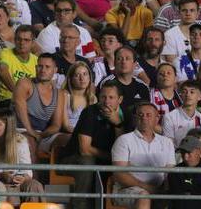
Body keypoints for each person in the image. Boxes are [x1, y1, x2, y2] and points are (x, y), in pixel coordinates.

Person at [59, 80, 127, 209]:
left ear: (120, 99)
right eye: (103, 97)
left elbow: (122, 148)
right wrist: (111, 157)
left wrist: (118, 124)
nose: (106, 101)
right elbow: (84, 150)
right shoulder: (90, 112)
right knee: (88, 161)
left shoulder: (125, 115)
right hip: (72, 159)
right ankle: (80, 205)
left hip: (102, 161)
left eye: (111, 97)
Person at [111, 102, 175, 209]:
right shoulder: (124, 140)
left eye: (148, 115)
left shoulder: (167, 142)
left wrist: (167, 191)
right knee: (144, 196)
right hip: (127, 190)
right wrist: (148, 188)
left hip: (159, 189)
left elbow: (170, 173)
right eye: (140, 115)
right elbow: (120, 175)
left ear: (157, 119)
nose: (144, 118)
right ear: (135, 118)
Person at [0, 107, 44, 204]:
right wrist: (2, 175)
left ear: (8, 126)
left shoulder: (21, 140)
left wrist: (22, 178)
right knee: (9, 191)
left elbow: (28, 171)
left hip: (17, 182)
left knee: (35, 185)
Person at [13, 53, 64, 161]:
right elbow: (19, 110)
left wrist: (40, 136)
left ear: (55, 70)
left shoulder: (59, 93)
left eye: (47, 67)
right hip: (21, 130)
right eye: (40, 66)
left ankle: (65, 172)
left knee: (68, 139)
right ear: (36, 68)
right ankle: (33, 172)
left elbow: (56, 125)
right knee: (30, 141)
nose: (43, 70)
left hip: (43, 135)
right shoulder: (24, 83)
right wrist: (32, 132)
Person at [168, 135, 201, 209]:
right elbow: (181, 200)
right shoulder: (175, 172)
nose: (185, 157)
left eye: (189, 152)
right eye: (183, 153)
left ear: (199, 151)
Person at [98, 47, 150, 115]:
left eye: (127, 58)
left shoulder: (143, 86)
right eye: (119, 59)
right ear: (114, 63)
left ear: (135, 64)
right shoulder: (106, 83)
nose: (123, 62)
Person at [0, 25, 38, 105]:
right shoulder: (6, 53)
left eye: (26, 40)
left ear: (33, 43)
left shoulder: (36, 61)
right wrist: (18, 93)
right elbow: (2, 71)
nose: (22, 43)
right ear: (14, 40)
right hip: (7, 101)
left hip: (29, 102)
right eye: (19, 39)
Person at [163, 80, 201, 147]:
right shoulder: (169, 117)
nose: (188, 94)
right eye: (184, 92)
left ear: (200, 97)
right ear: (181, 96)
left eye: (192, 92)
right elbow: (168, 145)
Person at [161, 0, 201, 64]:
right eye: (184, 10)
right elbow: (173, 63)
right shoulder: (169, 35)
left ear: (198, 13)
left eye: (192, 10)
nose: (188, 14)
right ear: (178, 13)